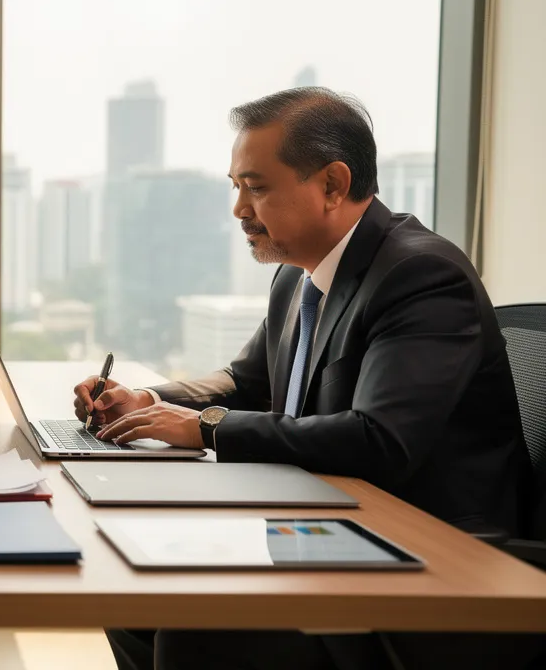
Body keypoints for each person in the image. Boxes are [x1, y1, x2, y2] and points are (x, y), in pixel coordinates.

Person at [72, 88, 536, 670]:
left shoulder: (420, 275)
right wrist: (147, 401)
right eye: (236, 187)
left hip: (432, 554)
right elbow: (244, 381)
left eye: (256, 187)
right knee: (135, 595)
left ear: (333, 185)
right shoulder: (297, 277)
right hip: (321, 525)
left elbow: (380, 439)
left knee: (198, 632)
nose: (239, 209)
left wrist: (206, 428)